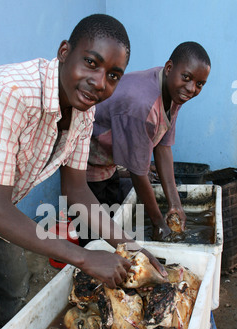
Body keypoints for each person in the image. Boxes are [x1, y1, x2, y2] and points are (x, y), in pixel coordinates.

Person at [0, 14, 166, 329]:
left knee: (16, 294)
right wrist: (85, 258)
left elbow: (77, 191)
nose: (99, 82)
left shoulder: (83, 107)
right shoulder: (9, 94)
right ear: (64, 52)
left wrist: (129, 246)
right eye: (91, 63)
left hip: (0, 201)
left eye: (113, 75)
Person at [86, 41, 211, 240]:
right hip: (88, 156)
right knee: (93, 229)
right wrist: (158, 223)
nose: (191, 89)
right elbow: (138, 172)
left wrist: (175, 205)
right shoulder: (142, 105)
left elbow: (163, 146)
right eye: (187, 78)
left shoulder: (173, 89)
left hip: (110, 161)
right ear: (169, 68)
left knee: (111, 217)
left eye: (199, 84)